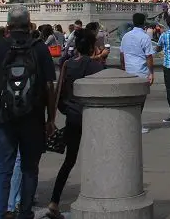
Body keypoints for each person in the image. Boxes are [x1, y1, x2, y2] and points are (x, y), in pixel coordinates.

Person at [0, 6, 56, 219]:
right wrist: (50, 118)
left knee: (2, 169)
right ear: (30, 24)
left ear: (8, 25)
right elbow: (49, 86)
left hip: (2, 116)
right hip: (33, 117)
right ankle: (25, 212)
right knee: (29, 168)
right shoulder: (40, 48)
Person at [45, 29, 104, 219]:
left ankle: (54, 202)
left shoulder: (67, 64)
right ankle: (99, 200)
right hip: (91, 118)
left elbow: (59, 91)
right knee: (97, 159)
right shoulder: (96, 67)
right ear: (91, 46)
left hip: (72, 116)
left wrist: (56, 116)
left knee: (69, 161)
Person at [120, 13, 155, 133]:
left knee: (130, 99)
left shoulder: (126, 36)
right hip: (141, 71)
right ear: (144, 22)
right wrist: (151, 73)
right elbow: (149, 56)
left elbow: (122, 55)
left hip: (128, 70)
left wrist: (123, 69)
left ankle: (130, 123)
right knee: (140, 100)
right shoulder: (145, 37)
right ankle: (136, 124)